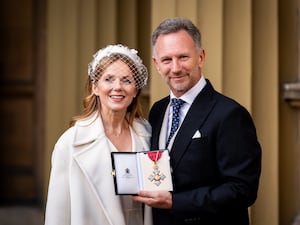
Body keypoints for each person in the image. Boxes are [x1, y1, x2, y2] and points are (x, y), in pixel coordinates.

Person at [132, 17, 262, 225]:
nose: (175, 68)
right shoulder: (158, 110)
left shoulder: (230, 114)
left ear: (200, 57)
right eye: (166, 60)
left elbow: (242, 190)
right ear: (156, 65)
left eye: (183, 57)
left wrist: (175, 202)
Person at [44, 44, 153, 225]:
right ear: (95, 87)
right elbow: (57, 215)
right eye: (108, 79)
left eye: (126, 80)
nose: (117, 87)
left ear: (135, 90)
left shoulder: (148, 135)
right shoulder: (69, 143)